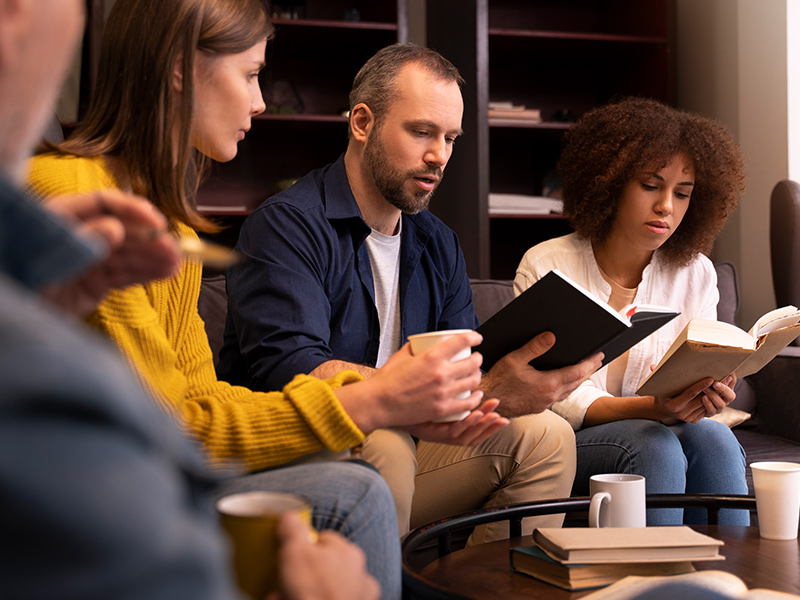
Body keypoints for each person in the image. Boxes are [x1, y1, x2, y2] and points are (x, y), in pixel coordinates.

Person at [21, 0, 409, 597]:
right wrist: (368, 401)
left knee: (357, 478)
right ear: (180, 65)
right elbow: (178, 429)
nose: (259, 101)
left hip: (145, 474)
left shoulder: (169, 229)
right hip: (102, 494)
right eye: (251, 74)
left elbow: (195, 397)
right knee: (354, 491)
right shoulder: (78, 199)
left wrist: (376, 395)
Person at [217, 42, 603, 543]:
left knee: (547, 436)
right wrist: (472, 394)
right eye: (421, 131)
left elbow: (468, 367)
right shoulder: (285, 226)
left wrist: (506, 385)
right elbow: (293, 370)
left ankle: (477, 588)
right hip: (301, 452)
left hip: (413, 442)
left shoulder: (437, 242)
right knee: (389, 442)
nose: (438, 155)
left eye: (450, 138)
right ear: (362, 123)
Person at [514, 97, 749, 525]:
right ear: (610, 182)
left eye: (682, 193)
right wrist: (651, 408)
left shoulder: (696, 273)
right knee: (652, 441)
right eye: (650, 186)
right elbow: (551, 397)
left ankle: (730, 585)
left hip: (662, 427)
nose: (667, 207)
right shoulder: (548, 265)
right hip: (572, 440)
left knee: (714, 437)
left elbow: (697, 368)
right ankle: (650, 586)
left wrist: (707, 394)